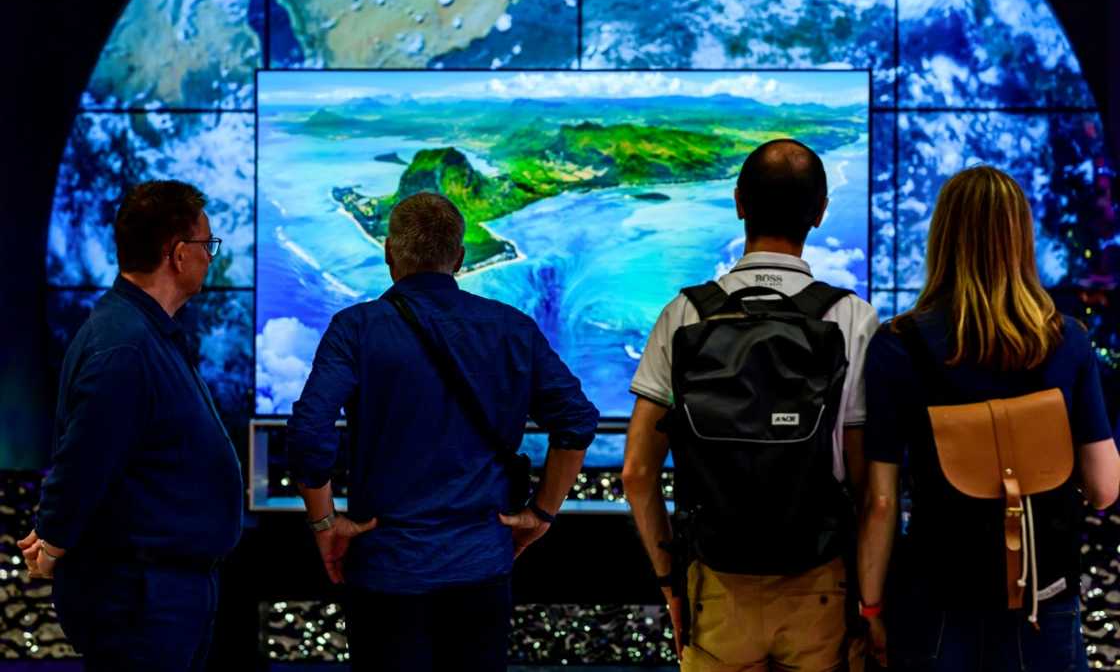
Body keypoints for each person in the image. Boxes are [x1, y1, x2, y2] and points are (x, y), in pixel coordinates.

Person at [286, 191, 599, 671]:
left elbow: (310, 431)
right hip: (481, 564)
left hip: (385, 568)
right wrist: (542, 513)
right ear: (460, 257)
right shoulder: (511, 328)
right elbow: (575, 421)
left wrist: (325, 524)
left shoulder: (356, 328)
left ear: (389, 251)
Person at [623, 139, 879, 670]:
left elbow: (636, 472)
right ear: (821, 212)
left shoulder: (684, 314)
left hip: (715, 583)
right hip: (820, 585)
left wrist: (672, 579)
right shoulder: (852, 319)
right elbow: (864, 482)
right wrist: (871, 600)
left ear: (739, 202)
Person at [858, 165, 1120, 670]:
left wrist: (871, 606)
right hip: (1046, 600)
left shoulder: (898, 345)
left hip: (937, 602)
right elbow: (1105, 486)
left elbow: (881, 501)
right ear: (1021, 239)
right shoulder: (1068, 341)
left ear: (942, 239)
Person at [18, 180, 242, 670]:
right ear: (177, 254)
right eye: (207, 245)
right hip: (140, 600)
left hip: (161, 594)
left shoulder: (142, 331)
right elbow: (84, 459)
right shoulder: (124, 348)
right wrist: (53, 539)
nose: (211, 257)